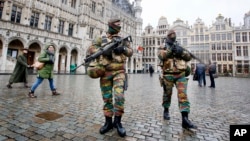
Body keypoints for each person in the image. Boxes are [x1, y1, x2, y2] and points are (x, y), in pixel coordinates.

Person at [86, 19, 133, 137]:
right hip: (105, 71)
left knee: (119, 97)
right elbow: (91, 49)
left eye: (119, 25)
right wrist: (103, 51)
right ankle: (108, 122)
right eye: (117, 25)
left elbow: (130, 52)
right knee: (107, 98)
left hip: (119, 71)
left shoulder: (123, 39)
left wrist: (123, 49)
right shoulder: (101, 38)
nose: (119, 27)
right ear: (111, 26)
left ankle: (118, 122)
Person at [158, 30, 197, 130]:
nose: (173, 37)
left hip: (180, 74)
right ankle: (166, 110)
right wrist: (171, 50)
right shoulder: (163, 46)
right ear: (167, 37)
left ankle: (185, 119)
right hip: (168, 74)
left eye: (174, 35)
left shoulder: (179, 46)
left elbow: (188, 57)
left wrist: (181, 52)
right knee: (167, 94)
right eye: (171, 36)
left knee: (183, 95)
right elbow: (161, 55)